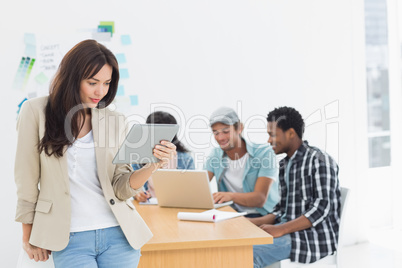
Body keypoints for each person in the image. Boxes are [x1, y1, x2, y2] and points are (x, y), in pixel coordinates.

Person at [14, 39, 177, 267]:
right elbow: (26, 179)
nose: (100, 91)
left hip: (119, 235)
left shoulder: (114, 120)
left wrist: (153, 164)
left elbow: (121, 188)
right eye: (92, 82)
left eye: (107, 83)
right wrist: (28, 234)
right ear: (73, 78)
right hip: (69, 238)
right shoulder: (35, 111)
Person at [252, 106, 341, 267]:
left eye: (272, 135)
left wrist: (281, 229)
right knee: (239, 246)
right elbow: (281, 210)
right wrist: (251, 222)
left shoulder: (320, 161)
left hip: (312, 239)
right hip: (289, 231)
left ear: (291, 133)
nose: (268, 140)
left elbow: (320, 209)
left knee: (249, 253)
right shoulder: (285, 164)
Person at [204, 107, 279, 217]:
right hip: (232, 214)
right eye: (215, 133)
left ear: (239, 128)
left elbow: (260, 198)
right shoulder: (215, 155)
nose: (220, 138)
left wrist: (230, 196)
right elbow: (200, 184)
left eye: (226, 131)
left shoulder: (264, 154)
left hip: (262, 215)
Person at [133, 111, 195, 202]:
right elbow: (132, 188)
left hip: (177, 205)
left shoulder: (186, 160)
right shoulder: (138, 159)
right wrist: (137, 194)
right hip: (149, 207)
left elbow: (192, 191)